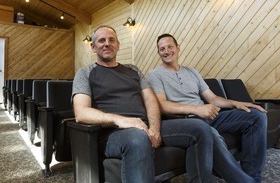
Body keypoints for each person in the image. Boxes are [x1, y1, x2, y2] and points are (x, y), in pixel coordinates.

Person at [72, 25, 255, 183]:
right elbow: (81, 113)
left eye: (111, 40)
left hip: (144, 125)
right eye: (101, 40)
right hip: (112, 133)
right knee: (137, 137)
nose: (107, 44)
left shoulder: (133, 70)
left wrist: (155, 129)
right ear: (93, 46)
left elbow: (151, 101)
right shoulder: (85, 73)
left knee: (200, 128)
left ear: (118, 45)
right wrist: (121, 121)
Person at [147, 33, 268, 183]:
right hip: (186, 121)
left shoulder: (192, 71)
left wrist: (236, 103)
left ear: (178, 48)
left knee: (256, 116)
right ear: (158, 53)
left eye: (170, 47)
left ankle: (253, 177)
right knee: (209, 133)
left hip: (208, 115)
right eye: (162, 49)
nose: (166, 51)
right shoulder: (154, 75)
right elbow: (162, 106)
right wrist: (197, 109)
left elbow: (212, 98)